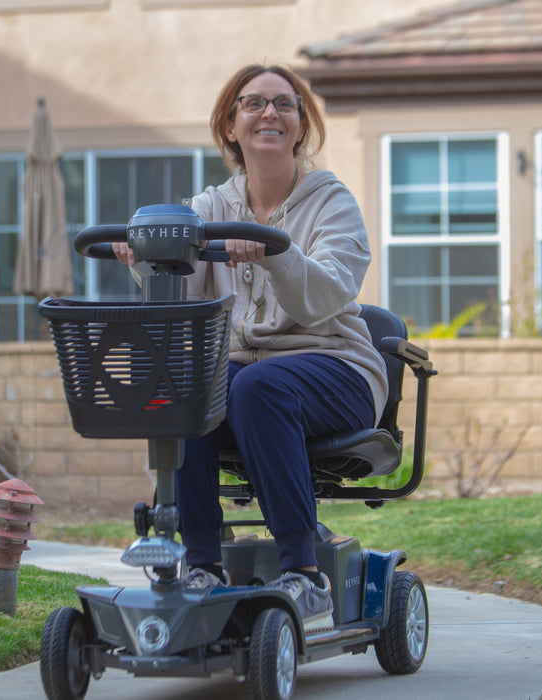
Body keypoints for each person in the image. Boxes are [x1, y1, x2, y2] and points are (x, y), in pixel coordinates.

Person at [113, 64, 387, 633]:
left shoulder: (332, 203)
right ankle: (201, 564)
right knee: (192, 380)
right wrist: (149, 265)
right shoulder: (209, 207)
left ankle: (305, 573)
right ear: (230, 126)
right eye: (254, 103)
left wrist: (272, 252)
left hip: (336, 368)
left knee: (257, 385)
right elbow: (183, 300)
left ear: (300, 125)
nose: (270, 113)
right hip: (242, 380)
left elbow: (326, 298)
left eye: (284, 104)